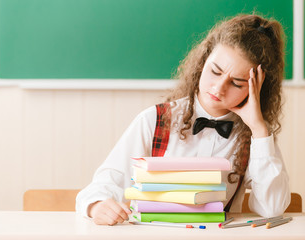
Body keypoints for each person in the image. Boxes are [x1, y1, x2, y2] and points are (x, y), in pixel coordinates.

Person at [76, 14, 291, 225]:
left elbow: (271, 209)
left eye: (236, 83)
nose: (219, 88)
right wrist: (96, 205)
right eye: (215, 71)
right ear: (202, 63)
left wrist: (259, 130)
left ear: (257, 90)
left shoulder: (252, 137)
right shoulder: (156, 120)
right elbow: (103, 185)